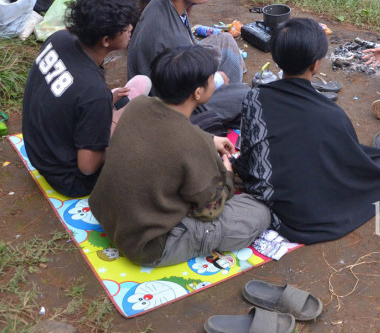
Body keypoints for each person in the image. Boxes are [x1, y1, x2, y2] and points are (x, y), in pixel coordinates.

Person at [88, 45, 271, 267]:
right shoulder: (192, 143)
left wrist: (208, 140)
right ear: (198, 92)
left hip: (108, 216)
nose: (215, 81)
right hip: (148, 246)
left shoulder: (138, 105)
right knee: (259, 213)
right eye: (212, 78)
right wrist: (228, 175)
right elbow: (209, 211)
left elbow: (164, 136)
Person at [234, 18, 380, 244]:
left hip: (276, 208)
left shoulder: (254, 97)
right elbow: (347, 161)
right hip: (307, 216)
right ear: (316, 64)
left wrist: (237, 169)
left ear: (276, 58)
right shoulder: (332, 114)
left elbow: (248, 152)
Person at [22, 0, 151, 198]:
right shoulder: (94, 93)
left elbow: (64, 97)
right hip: (69, 178)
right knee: (141, 133)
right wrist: (123, 140)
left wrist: (104, 102)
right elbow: (87, 167)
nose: (130, 28)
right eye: (125, 26)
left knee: (132, 92)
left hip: (38, 149)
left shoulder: (58, 40)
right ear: (106, 40)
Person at [126, 0, 248, 125]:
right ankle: (218, 118)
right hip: (168, 109)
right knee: (244, 95)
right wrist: (217, 80)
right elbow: (183, 95)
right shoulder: (171, 36)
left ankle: (226, 95)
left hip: (178, 77)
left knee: (225, 40)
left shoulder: (163, 0)